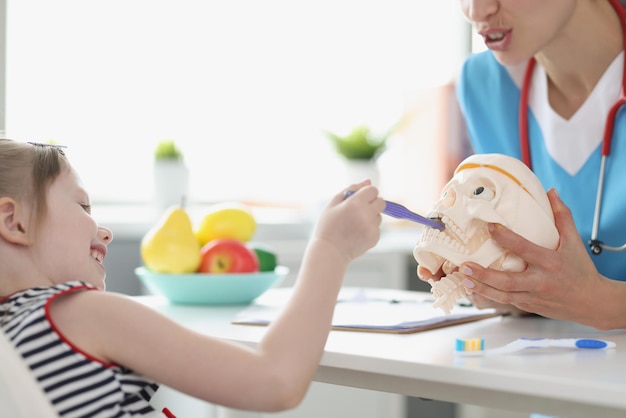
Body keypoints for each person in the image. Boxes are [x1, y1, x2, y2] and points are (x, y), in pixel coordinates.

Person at [0, 139, 385, 417]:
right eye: (82, 205)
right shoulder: (79, 313)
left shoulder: (12, 334)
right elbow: (276, 380)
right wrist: (331, 249)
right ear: (13, 221)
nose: (105, 232)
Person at [418, 0, 626, 332]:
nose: (476, 11)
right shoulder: (482, 83)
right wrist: (506, 288)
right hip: (545, 365)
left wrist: (606, 304)